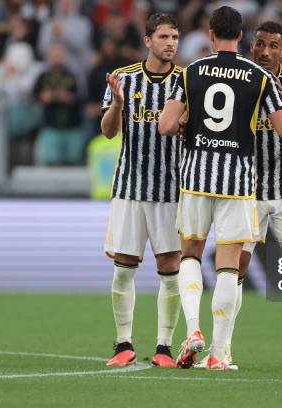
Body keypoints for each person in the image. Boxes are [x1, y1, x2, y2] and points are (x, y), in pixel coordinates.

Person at [158, 6, 282, 370]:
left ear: (211, 35)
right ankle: (217, 353)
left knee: (192, 255)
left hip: (196, 175)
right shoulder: (257, 76)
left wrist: (186, 120)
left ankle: (193, 330)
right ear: (241, 37)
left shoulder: (191, 72)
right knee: (230, 266)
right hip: (238, 181)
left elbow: (166, 126)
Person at [193, 21, 282, 371]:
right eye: (260, 44)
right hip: (246, 190)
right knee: (235, 267)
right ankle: (221, 349)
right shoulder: (242, 78)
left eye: (273, 45)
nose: (266, 51)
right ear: (251, 46)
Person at [101, 13, 183, 368]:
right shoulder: (124, 78)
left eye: (175, 37)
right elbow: (107, 132)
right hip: (130, 189)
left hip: (171, 191)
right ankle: (123, 343)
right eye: (164, 36)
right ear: (147, 40)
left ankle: (164, 347)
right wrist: (118, 104)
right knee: (124, 267)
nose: (171, 43)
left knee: (170, 267)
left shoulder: (187, 82)